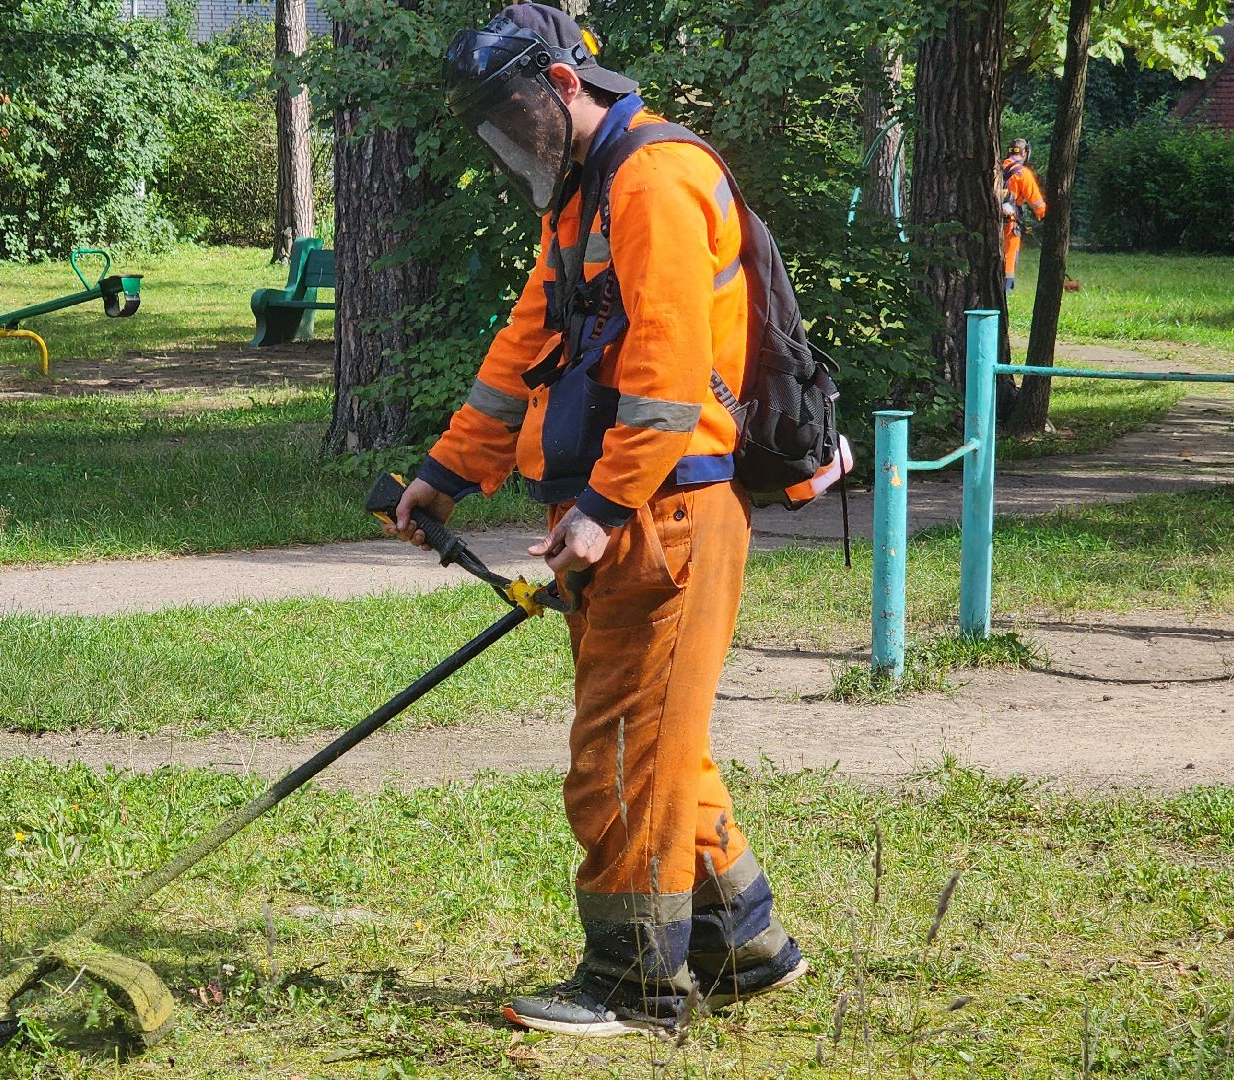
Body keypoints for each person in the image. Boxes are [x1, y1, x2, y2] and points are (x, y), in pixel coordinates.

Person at [382, 2, 806, 1038]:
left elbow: (663, 377)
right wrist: (445, 472)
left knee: (618, 759)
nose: (510, 141)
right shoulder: (582, 198)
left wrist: (604, 508)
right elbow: (524, 344)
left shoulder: (654, 180)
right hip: (629, 514)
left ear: (566, 85)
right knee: (666, 747)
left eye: (515, 115)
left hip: (662, 516)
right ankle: (744, 948)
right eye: (493, 124)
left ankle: (632, 984)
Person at [1001, 137, 1047, 292]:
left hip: (989, 221)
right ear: (1025, 152)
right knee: (1009, 255)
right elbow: (1037, 203)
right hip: (1010, 222)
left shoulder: (998, 168)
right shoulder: (1023, 173)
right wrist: (1046, 217)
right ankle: (1005, 290)